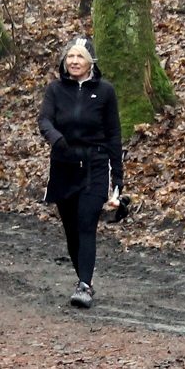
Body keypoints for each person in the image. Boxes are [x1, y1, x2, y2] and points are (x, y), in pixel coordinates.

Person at [38, 35, 123, 309]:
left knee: (87, 223)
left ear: (91, 62)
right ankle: (83, 278)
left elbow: (114, 134)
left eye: (80, 57)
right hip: (64, 163)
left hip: (95, 164)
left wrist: (118, 179)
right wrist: (57, 140)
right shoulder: (55, 89)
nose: (74, 61)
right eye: (70, 56)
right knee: (71, 229)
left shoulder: (105, 92)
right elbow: (44, 120)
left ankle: (84, 286)